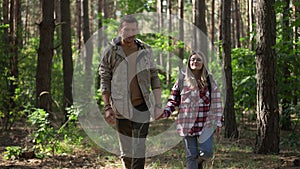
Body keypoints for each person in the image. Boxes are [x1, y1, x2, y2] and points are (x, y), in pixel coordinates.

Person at [99, 15, 162, 169]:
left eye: (133, 29)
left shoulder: (146, 50)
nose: (130, 33)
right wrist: (107, 107)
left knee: (139, 148)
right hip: (121, 107)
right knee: (127, 152)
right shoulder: (111, 51)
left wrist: (158, 104)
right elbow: (105, 79)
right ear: (120, 30)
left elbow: (154, 76)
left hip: (143, 105)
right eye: (127, 29)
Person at [157, 51, 223, 169]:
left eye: (198, 60)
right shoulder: (182, 80)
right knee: (191, 155)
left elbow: (217, 102)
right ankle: (193, 164)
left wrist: (218, 121)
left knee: (207, 152)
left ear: (203, 63)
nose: (195, 62)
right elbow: (173, 100)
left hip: (206, 123)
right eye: (192, 60)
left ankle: (197, 163)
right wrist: (166, 112)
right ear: (188, 63)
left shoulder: (209, 80)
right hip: (186, 124)